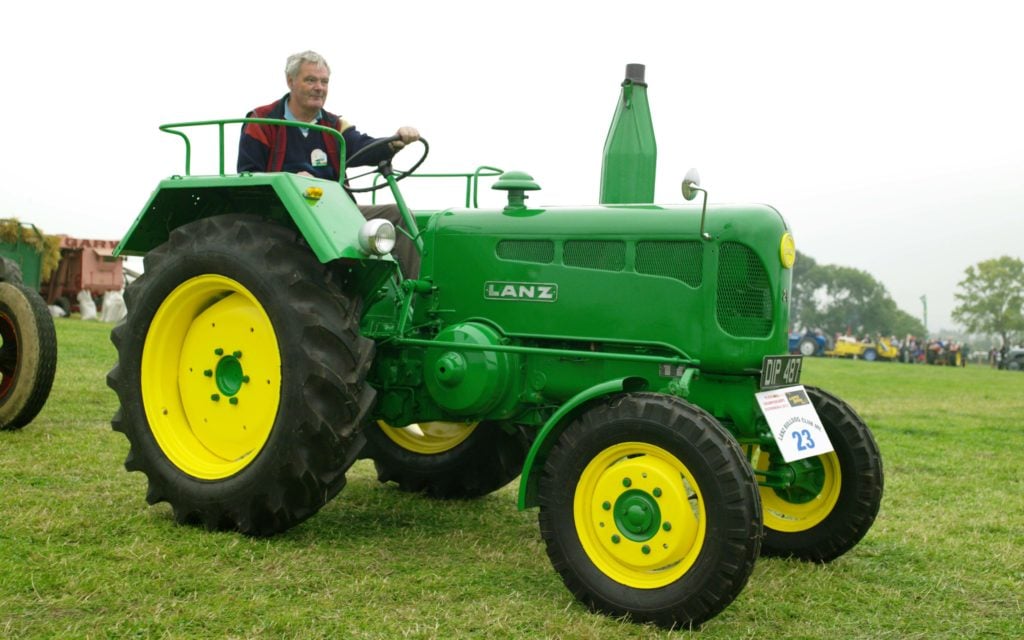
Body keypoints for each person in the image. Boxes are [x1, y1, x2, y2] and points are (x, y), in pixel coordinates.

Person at [238, 50, 421, 276]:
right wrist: (291, 182)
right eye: (311, 80)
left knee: (399, 216)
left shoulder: (334, 126)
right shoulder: (262, 121)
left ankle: (412, 297)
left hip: (336, 212)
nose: (319, 87)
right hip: (286, 215)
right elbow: (247, 177)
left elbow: (364, 147)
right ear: (290, 81)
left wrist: (394, 142)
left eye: (324, 81)